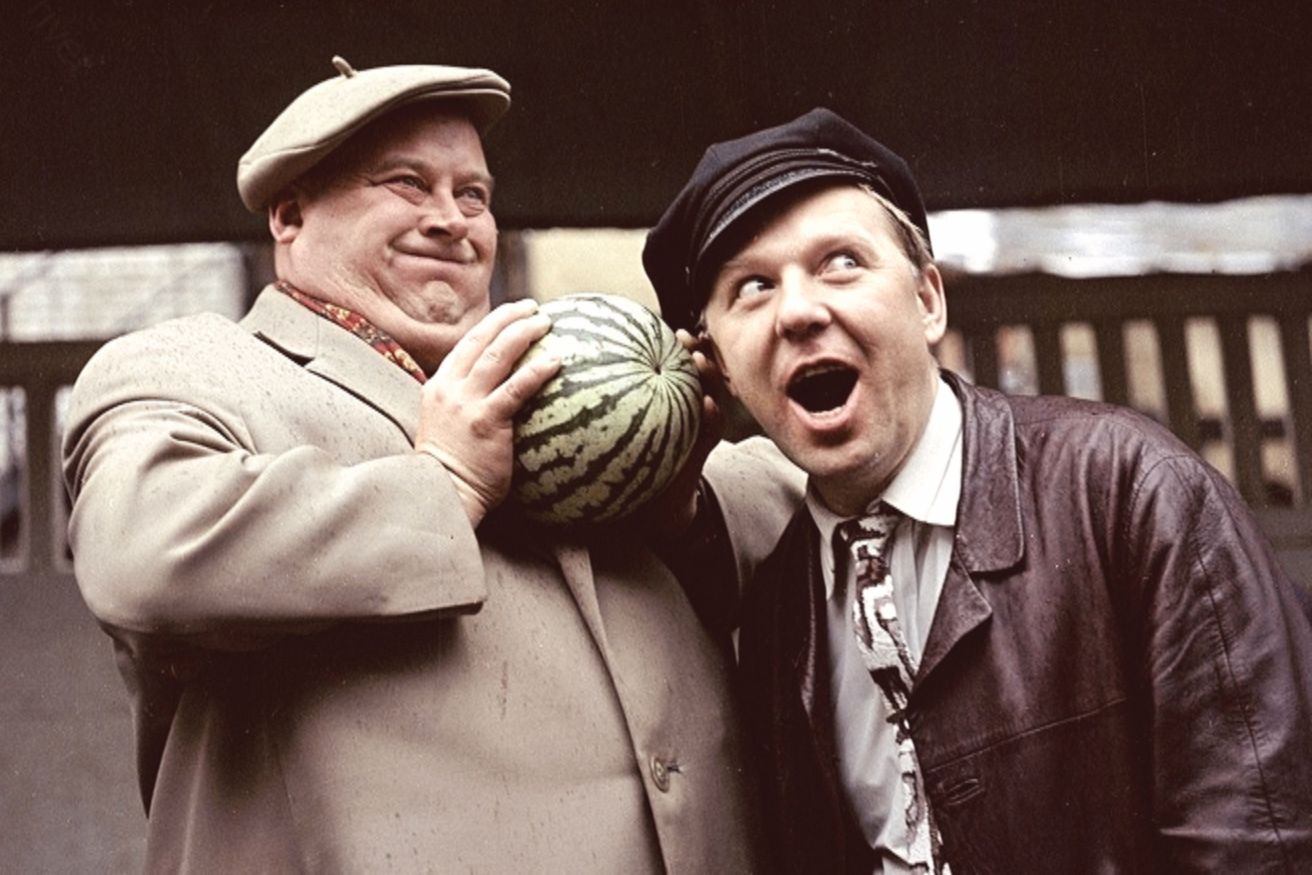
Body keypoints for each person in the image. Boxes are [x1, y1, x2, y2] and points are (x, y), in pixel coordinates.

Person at [61, 57, 803, 872]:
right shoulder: (195, 366)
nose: (452, 220)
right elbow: (141, 553)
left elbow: (818, 507)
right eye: (407, 184)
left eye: (473, 195)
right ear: (290, 213)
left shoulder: (569, 376)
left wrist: (685, 514)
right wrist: (443, 482)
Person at [642, 107, 1312, 873]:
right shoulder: (776, 619)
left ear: (928, 299)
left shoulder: (1131, 493)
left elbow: (1262, 843)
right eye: (753, 286)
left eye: (841, 262)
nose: (797, 310)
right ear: (720, 367)